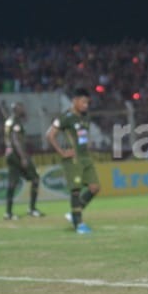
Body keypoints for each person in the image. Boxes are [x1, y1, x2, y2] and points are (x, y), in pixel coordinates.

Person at [47, 89, 100, 234]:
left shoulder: (85, 117)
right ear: (75, 100)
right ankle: (79, 224)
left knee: (94, 187)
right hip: (73, 158)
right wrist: (62, 152)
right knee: (75, 190)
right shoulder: (66, 117)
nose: (86, 105)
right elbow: (50, 135)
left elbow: (83, 136)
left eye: (87, 103)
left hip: (85, 157)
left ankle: (73, 215)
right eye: (83, 102)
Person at [3, 103, 43, 221]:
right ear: (17, 110)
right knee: (35, 178)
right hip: (17, 154)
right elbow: (16, 140)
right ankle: (32, 208)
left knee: (12, 184)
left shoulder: (8, 122)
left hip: (9, 154)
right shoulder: (15, 122)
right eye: (22, 108)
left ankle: (8, 212)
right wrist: (23, 157)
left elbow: (8, 139)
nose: (24, 110)